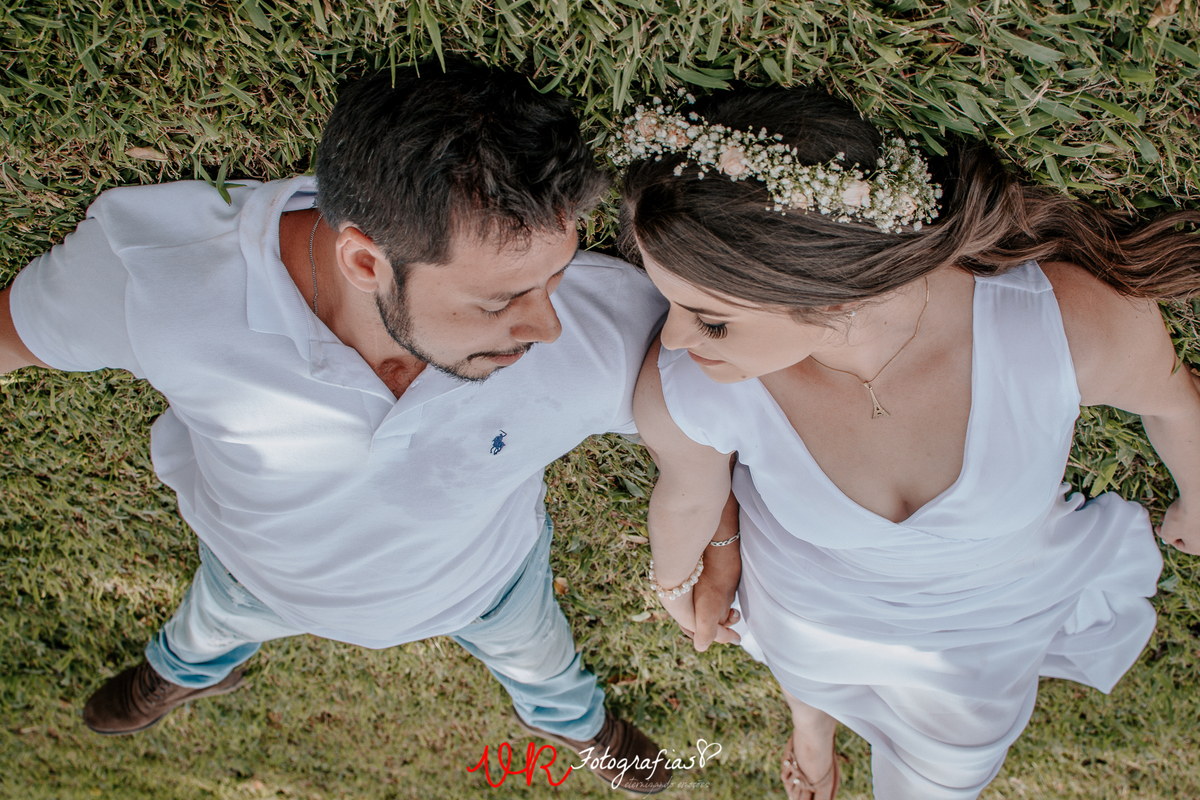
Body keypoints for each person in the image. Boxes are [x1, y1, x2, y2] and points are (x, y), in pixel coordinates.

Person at [0, 60, 746, 794]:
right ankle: (180, 674)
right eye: (497, 302)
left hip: (488, 585)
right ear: (364, 260)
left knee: (542, 663)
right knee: (204, 630)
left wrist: (717, 537)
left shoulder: (610, 327)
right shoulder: (158, 277)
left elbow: (715, 425)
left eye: (556, 274)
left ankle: (574, 724)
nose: (546, 326)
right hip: (256, 575)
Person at [618, 86, 1200, 799]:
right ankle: (811, 721)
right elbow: (687, 497)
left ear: (832, 293)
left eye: (710, 319)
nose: (673, 338)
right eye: (672, 302)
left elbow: (1175, 403)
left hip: (987, 618)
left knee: (953, 764)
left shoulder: (1066, 329)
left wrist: (1198, 498)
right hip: (810, 600)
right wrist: (676, 585)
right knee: (804, 664)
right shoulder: (697, 386)